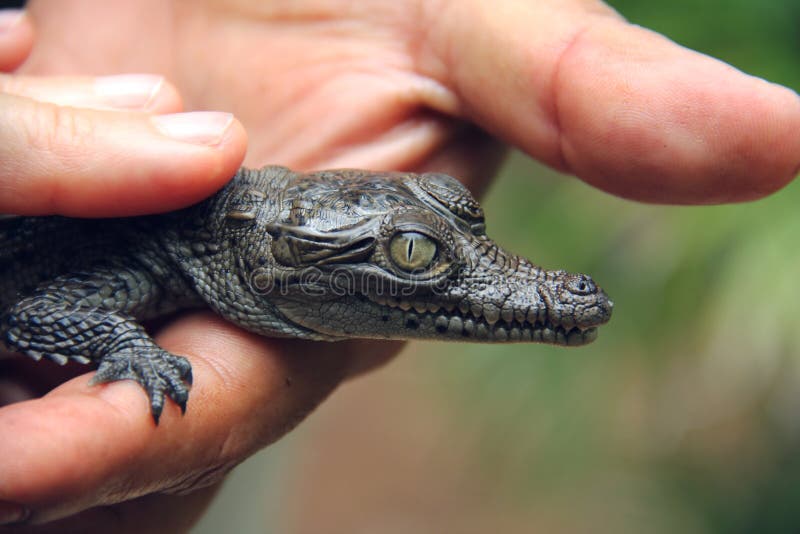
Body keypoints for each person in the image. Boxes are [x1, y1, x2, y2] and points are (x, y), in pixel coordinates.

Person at [1, 0, 798, 529]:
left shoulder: (198, 233)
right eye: (413, 257)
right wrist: (125, 346)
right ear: (283, 260)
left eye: (438, 231)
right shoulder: (144, 240)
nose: (536, 292)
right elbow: (21, 311)